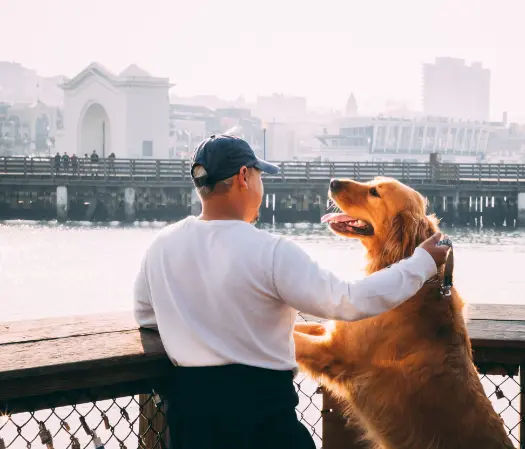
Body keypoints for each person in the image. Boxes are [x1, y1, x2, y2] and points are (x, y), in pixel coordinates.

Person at [133, 134, 452, 449]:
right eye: (259, 176)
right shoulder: (270, 251)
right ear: (245, 177)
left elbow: (146, 316)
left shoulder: (161, 246)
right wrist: (422, 263)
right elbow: (347, 300)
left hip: (192, 425)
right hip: (264, 423)